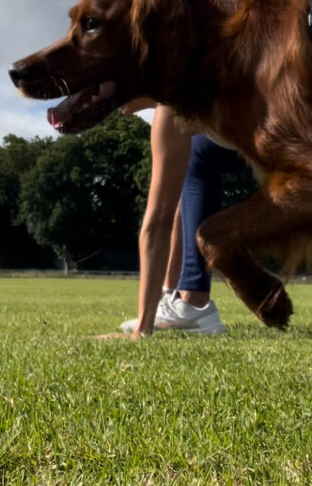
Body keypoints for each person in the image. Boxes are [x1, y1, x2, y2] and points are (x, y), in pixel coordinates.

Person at [99, 102, 248, 337]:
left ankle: (191, 299)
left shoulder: (173, 104)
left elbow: (158, 219)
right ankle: (182, 298)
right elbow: (168, 208)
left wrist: (141, 331)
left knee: (196, 153)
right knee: (195, 155)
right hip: (277, 122)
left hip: (301, 129)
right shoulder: (177, 99)